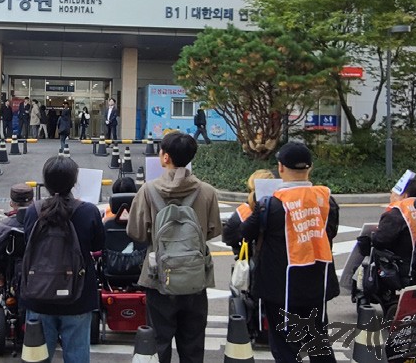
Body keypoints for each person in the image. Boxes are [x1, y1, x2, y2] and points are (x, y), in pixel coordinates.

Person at [126, 132, 222, 363]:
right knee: (193, 345)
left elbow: (136, 232)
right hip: (195, 277)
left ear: (165, 157)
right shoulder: (206, 191)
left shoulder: (148, 190)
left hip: (158, 277)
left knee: (158, 343)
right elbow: (213, 230)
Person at [240, 143, 339, 363]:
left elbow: (245, 232)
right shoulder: (325, 199)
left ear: (280, 168)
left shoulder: (270, 204)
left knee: (285, 348)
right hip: (316, 283)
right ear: (310, 168)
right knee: (318, 343)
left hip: (280, 287)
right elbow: (330, 232)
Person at [22, 156, 105, 363]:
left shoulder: (33, 211)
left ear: (45, 182)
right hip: (78, 296)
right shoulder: (88, 211)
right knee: (77, 355)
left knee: (38, 357)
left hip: (39, 294)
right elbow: (98, 246)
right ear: (74, 181)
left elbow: (27, 245)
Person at [372, 178, 416, 282]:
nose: (391, 197)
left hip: (405, 268)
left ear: (404, 196)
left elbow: (379, 241)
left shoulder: (398, 213)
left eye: (393, 193)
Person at [0, 184, 34, 298]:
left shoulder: (3, 226)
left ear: (11, 203)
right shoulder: (42, 223)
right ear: (32, 202)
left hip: (12, 277)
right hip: (39, 272)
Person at [222, 169, 274, 254]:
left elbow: (228, 235)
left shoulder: (244, 210)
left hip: (254, 256)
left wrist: (239, 249)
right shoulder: (281, 206)